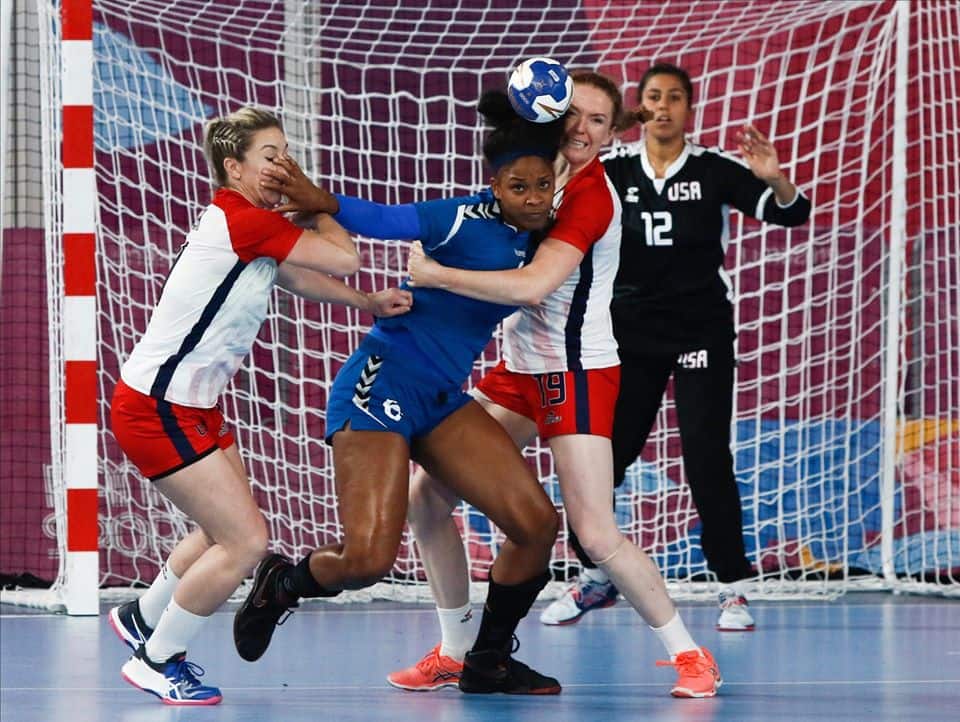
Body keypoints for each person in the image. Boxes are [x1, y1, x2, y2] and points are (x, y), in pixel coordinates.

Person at [391, 69, 722, 699]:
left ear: (611, 132)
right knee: (425, 495)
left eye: (598, 120)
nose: (581, 127)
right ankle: (456, 651)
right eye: (574, 113)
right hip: (519, 370)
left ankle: (690, 656)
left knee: (594, 531)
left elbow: (534, 286)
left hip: (576, 373)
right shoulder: (534, 168)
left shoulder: (593, 196)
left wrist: (435, 275)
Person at [231, 90, 569, 695]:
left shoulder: (546, 234)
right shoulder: (462, 216)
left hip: (440, 398)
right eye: (519, 187)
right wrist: (323, 201)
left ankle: (486, 661)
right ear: (496, 187)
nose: (535, 198)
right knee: (366, 563)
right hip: (380, 385)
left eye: (543, 185)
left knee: (536, 523)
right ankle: (283, 582)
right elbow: (388, 219)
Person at [106, 106, 413, 706]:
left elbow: (295, 276)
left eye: (286, 152)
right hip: (155, 408)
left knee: (222, 527)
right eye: (271, 156)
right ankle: (157, 659)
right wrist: (319, 201)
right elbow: (342, 255)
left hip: (193, 404)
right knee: (245, 543)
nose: (284, 165)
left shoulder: (251, 225)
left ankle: (144, 616)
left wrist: (365, 304)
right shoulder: (245, 219)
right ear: (234, 167)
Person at [545, 62, 811, 631]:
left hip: (700, 332)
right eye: (653, 98)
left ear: (689, 109)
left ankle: (732, 588)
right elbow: (554, 199)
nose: (663, 107)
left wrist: (774, 177)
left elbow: (793, 213)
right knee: (602, 459)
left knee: (707, 458)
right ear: (638, 110)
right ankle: (595, 579)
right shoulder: (612, 168)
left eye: (674, 98)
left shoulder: (715, 169)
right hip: (627, 335)